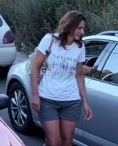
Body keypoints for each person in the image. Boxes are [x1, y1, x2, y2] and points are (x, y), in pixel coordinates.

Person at [29, 11, 93, 146]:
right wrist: (35, 95)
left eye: (83, 28)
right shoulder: (49, 40)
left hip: (71, 101)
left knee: (67, 140)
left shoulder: (80, 47)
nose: (83, 32)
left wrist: (85, 102)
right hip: (47, 98)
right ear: (70, 26)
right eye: (80, 28)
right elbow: (34, 68)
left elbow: (79, 75)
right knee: (53, 141)